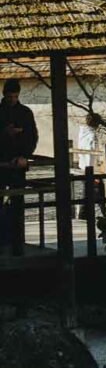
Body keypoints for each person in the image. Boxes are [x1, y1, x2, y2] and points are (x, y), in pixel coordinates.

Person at [0, 78, 39, 252]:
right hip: (2, 163)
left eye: (15, 97)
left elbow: (32, 136)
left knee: (18, 202)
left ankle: (17, 241)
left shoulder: (25, 113)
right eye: (10, 97)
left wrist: (25, 156)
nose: (12, 100)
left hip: (18, 163)